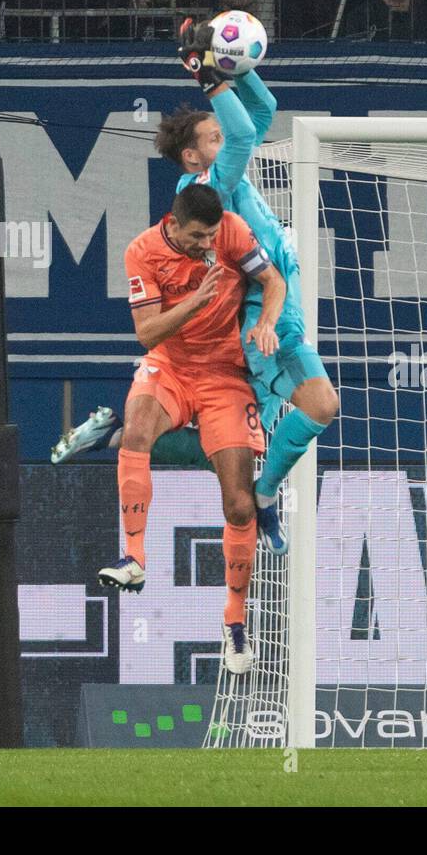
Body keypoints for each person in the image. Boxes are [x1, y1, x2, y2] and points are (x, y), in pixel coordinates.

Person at [56, 26, 340, 562]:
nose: (226, 140)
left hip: (273, 305)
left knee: (234, 448)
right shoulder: (206, 190)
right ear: (193, 157)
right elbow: (239, 132)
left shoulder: (225, 179)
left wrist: (233, 65)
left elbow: (263, 107)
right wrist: (207, 72)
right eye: (212, 138)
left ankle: (122, 435)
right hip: (263, 316)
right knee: (289, 420)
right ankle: (264, 498)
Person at [100, 185, 287, 679]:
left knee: (239, 504)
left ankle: (234, 620)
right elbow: (147, 334)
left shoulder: (232, 232)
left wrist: (267, 322)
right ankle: (134, 557)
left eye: (212, 235)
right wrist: (199, 300)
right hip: (172, 366)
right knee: (137, 429)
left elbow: (274, 282)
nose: (209, 243)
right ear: (175, 223)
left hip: (226, 374)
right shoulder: (142, 251)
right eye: (199, 236)